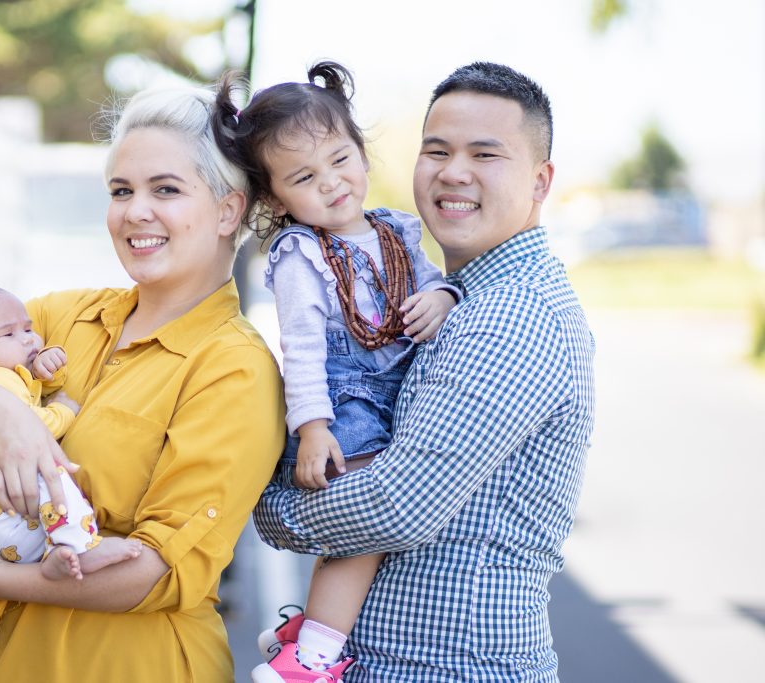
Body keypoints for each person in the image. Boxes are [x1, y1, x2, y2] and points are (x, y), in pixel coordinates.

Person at [0, 82, 286, 682]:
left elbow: (156, 571)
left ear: (229, 209)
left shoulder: (234, 366)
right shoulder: (56, 315)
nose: (134, 212)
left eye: (165, 190)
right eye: (121, 190)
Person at [254, 61, 596, 682]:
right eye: (435, 150)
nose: (453, 172)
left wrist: (270, 506)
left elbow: (395, 505)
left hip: (448, 668)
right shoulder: (454, 296)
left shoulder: (513, 314)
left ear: (541, 181)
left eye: (485, 154)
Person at [213, 62, 460, 682]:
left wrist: (446, 297)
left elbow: (433, 285)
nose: (331, 183)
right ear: (275, 198)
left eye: (340, 158)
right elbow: (301, 349)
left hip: (403, 399)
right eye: (304, 176)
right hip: (344, 402)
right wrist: (315, 427)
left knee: (363, 537)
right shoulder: (301, 253)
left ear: (361, 150)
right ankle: (310, 658)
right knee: (364, 529)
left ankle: (310, 632)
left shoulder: (399, 228)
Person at [0, 282, 142, 580]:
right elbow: (30, 426)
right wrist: (64, 409)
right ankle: (80, 545)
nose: (28, 340)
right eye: (9, 334)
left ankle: (54, 553)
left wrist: (45, 370)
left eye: (28, 328)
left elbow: (30, 391)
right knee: (51, 469)